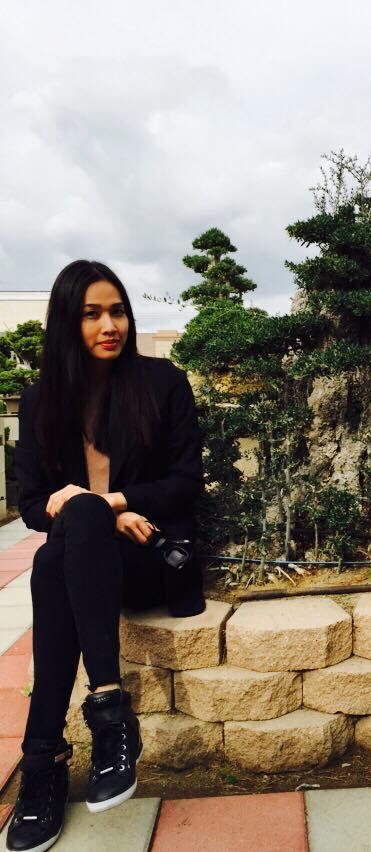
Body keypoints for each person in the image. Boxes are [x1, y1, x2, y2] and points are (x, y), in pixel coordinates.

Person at [6, 259, 205, 852]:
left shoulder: (163, 383)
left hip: (150, 558)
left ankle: (43, 765)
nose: (109, 325)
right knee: (57, 554)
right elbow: (32, 505)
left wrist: (109, 503)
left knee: (59, 553)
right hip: (81, 564)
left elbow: (186, 482)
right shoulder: (40, 401)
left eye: (117, 311)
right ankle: (105, 714)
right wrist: (94, 512)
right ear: (68, 322)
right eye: (92, 314)